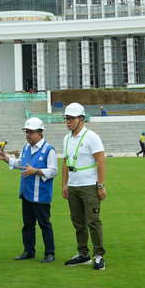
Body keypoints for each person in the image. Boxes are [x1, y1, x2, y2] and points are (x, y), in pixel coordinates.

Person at [0, 117, 57, 263]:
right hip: (26, 193)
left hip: (41, 195)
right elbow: (20, 164)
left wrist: (36, 171)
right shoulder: (26, 148)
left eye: (31, 132)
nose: (28, 135)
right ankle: (29, 251)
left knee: (44, 224)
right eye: (26, 132)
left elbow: (53, 171)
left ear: (40, 133)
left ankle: (50, 252)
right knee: (27, 225)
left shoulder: (49, 150)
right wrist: (5, 158)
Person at [60, 102, 107, 270]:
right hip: (73, 186)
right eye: (67, 118)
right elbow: (66, 162)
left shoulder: (92, 137)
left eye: (71, 118)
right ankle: (83, 254)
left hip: (89, 186)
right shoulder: (66, 139)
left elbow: (100, 161)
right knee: (78, 222)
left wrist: (100, 185)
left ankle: (98, 255)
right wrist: (64, 184)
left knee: (93, 221)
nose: (68, 122)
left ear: (81, 119)